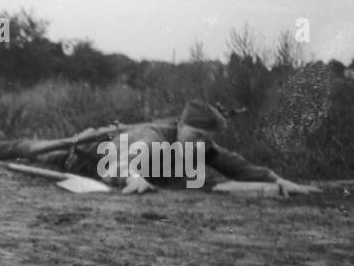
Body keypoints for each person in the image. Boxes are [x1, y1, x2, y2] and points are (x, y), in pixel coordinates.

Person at [17, 101, 318, 196]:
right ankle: (24, 147)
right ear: (182, 125)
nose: (201, 143)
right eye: (197, 135)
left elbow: (239, 167)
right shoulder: (154, 137)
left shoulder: (201, 145)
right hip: (88, 154)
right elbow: (120, 165)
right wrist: (132, 178)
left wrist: (278, 181)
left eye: (206, 138)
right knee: (47, 154)